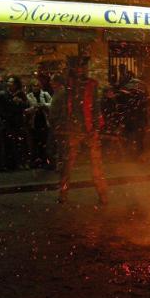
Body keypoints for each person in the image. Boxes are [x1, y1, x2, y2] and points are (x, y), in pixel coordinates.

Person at [59, 56, 108, 205]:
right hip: (73, 130)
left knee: (96, 164)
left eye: (84, 67)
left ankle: (102, 193)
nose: (82, 69)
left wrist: (96, 127)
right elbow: (63, 107)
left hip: (89, 129)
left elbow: (96, 106)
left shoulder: (92, 84)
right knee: (67, 164)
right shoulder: (68, 84)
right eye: (79, 67)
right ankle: (63, 192)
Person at [2, 75, 29, 169]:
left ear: (16, 84)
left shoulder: (20, 93)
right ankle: (15, 163)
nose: (9, 84)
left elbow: (26, 104)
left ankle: (24, 161)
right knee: (12, 142)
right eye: (8, 82)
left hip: (19, 121)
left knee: (21, 142)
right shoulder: (5, 93)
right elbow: (4, 106)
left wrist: (20, 102)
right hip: (9, 121)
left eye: (11, 82)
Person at [26, 79, 52, 168]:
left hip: (44, 121)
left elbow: (51, 104)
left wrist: (44, 105)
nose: (35, 88)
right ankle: (36, 161)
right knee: (35, 143)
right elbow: (26, 110)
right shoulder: (28, 96)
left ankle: (45, 161)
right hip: (34, 122)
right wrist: (33, 109)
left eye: (37, 86)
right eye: (34, 86)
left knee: (44, 142)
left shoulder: (45, 94)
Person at [48, 74, 66, 171]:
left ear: (57, 82)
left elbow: (63, 109)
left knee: (60, 145)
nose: (50, 83)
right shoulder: (56, 92)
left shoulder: (62, 92)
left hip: (58, 123)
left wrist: (60, 122)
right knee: (56, 144)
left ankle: (61, 165)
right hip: (54, 122)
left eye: (52, 81)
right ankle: (58, 164)